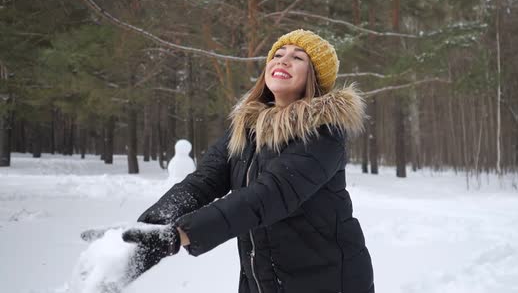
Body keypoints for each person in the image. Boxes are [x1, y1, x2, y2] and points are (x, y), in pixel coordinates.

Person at [122, 29, 375, 293]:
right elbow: (203, 181)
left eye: (298, 58)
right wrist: (149, 227)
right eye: (277, 54)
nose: (282, 60)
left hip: (330, 282)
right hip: (262, 279)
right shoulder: (246, 129)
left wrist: (180, 235)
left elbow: (267, 196)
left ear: (315, 76)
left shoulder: (324, 133)